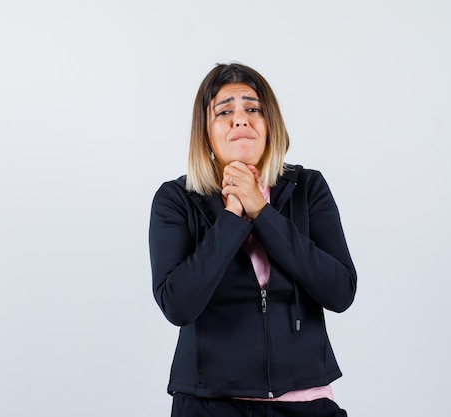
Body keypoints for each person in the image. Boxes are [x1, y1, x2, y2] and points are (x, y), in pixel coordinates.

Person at [148, 63, 357, 417]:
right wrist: (231, 218)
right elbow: (178, 305)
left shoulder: (308, 188)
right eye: (224, 111)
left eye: (252, 108)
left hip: (305, 403)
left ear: (270, 123)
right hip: (207, 403)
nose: (240, 120)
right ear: (205, 133)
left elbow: (340, 292)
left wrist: (262, 211)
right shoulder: (176, 199)